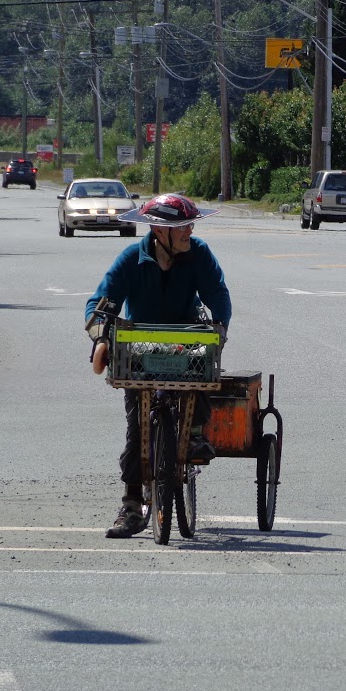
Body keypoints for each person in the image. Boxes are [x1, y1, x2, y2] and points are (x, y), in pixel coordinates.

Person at [85, 193, 231, 539]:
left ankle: (194, 435)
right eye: (182, 226)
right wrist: (101, 336)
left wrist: (220, 329)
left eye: (189, 225)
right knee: (137, 429)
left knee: (203, 370)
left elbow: (219, 296)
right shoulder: (131, 258)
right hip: (140, 351)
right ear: (158, 231)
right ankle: (132, 506)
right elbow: (100, 303)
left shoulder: (199, 254)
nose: (189, 231)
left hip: (186, 344)